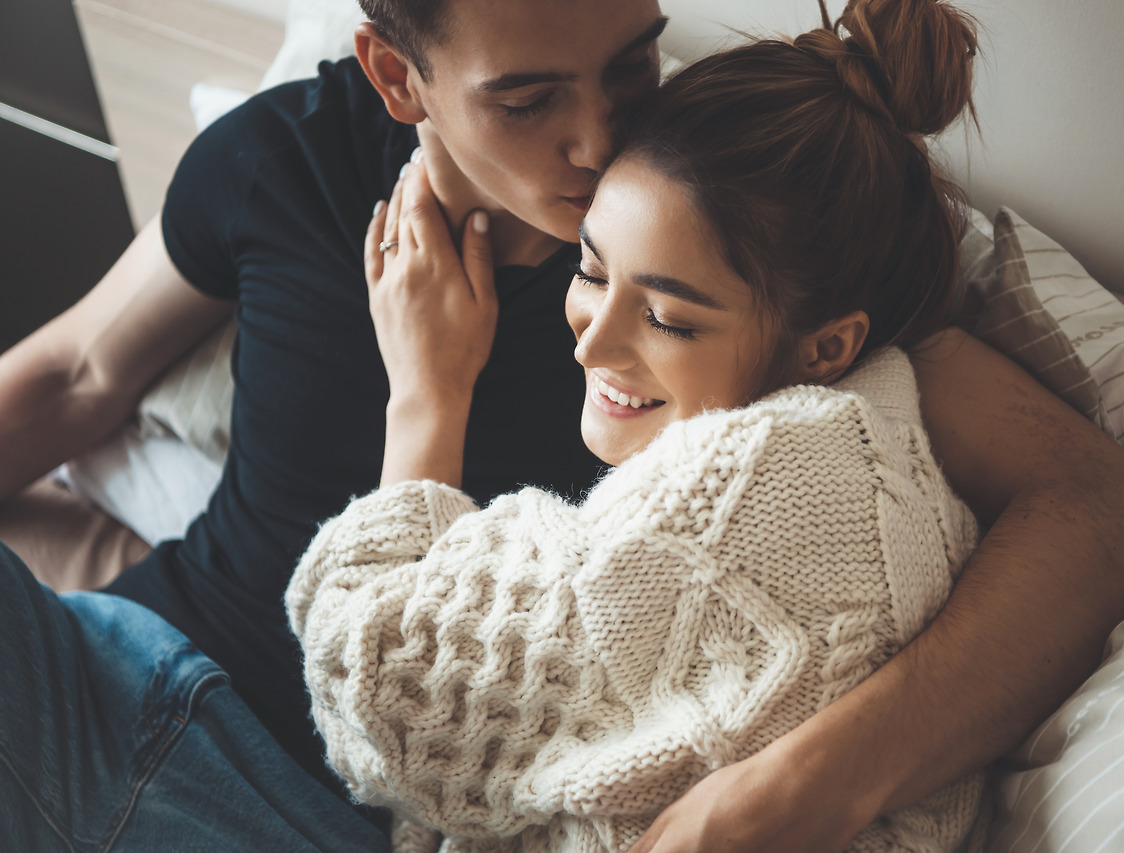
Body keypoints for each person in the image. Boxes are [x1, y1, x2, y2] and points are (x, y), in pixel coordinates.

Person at [0, 0, 1124, 848]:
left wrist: (805, 788)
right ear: (395, 74)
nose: (597, 136)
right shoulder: (288, 158)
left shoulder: (748, 245)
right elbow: (73, 378)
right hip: (126, 653)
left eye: (630, 65)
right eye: (525, 99)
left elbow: (1109, 515)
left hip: (293, 781)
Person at [287, 5, 994, 848]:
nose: (592, 336)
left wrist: (425, 397)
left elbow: (370, 683)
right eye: (591, 269)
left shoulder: (732, 497)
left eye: (666, 317)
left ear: (829, 344)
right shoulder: (880, 427)